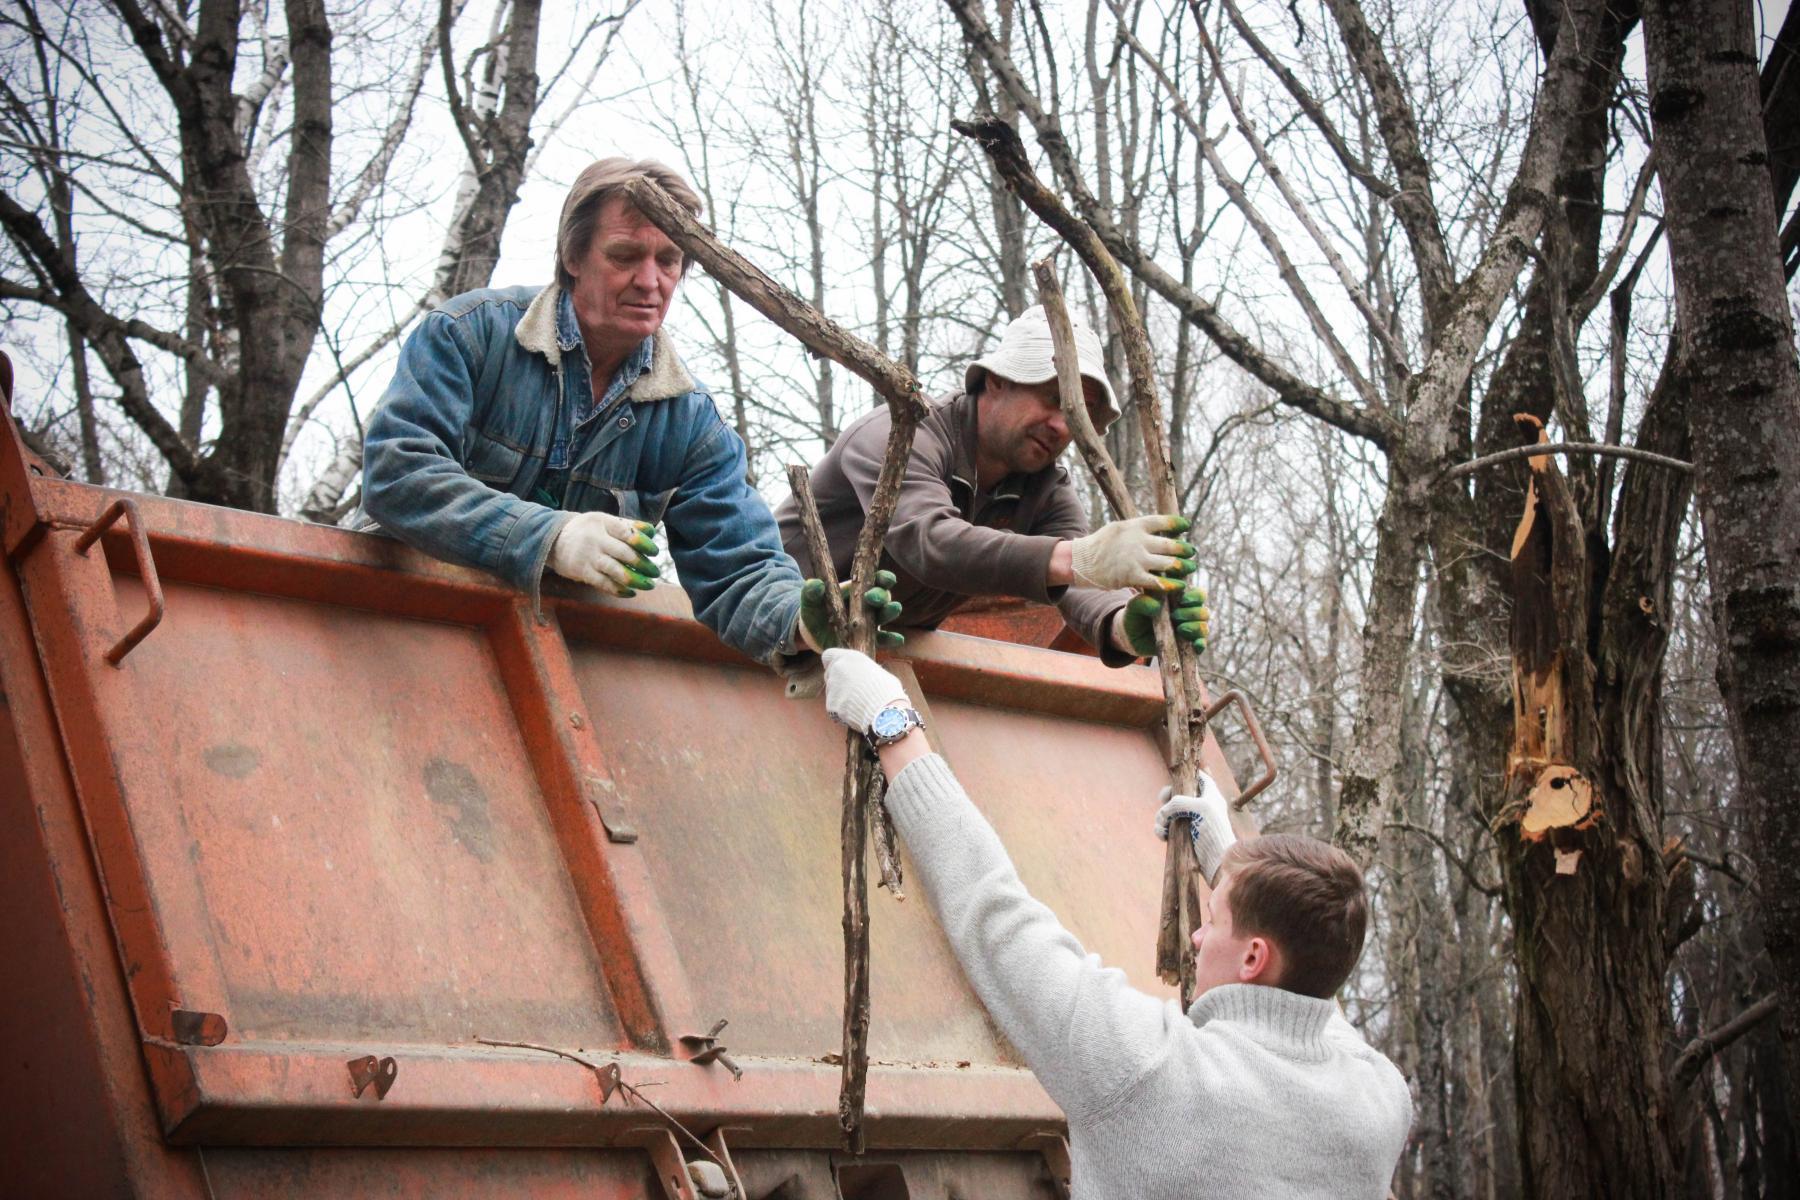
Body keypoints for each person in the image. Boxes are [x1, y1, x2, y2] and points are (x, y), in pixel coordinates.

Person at [818, 647, 1413, 1199]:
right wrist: (1230, 867)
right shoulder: (1380, 1102)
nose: (1199, 936)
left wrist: (893, 722)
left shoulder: (1153, 1073)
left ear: (1255, 958)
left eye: (1212, 920)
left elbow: (999, 920)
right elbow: (1314, 1008)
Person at [358, 157, 893, 664]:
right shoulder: (470, 335)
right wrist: (552, 537)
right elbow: (397, 473)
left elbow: (738, 566)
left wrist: (800, 620)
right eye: (624, 256)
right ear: (572, 258)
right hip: (393, 629)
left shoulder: (689, 422)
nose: (650, 281)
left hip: (538, 654)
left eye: (669, 260)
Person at [774, 305, 1210, 667]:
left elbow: (1080, 572)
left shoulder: (1043, 487)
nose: (1062, 425)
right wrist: (1078, 558)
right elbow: (928, 540)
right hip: (766, 635)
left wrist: (1122, 626)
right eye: (1053, 398)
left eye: (1077, 413)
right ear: (998, 380)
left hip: (873, 655)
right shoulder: (902, 432)